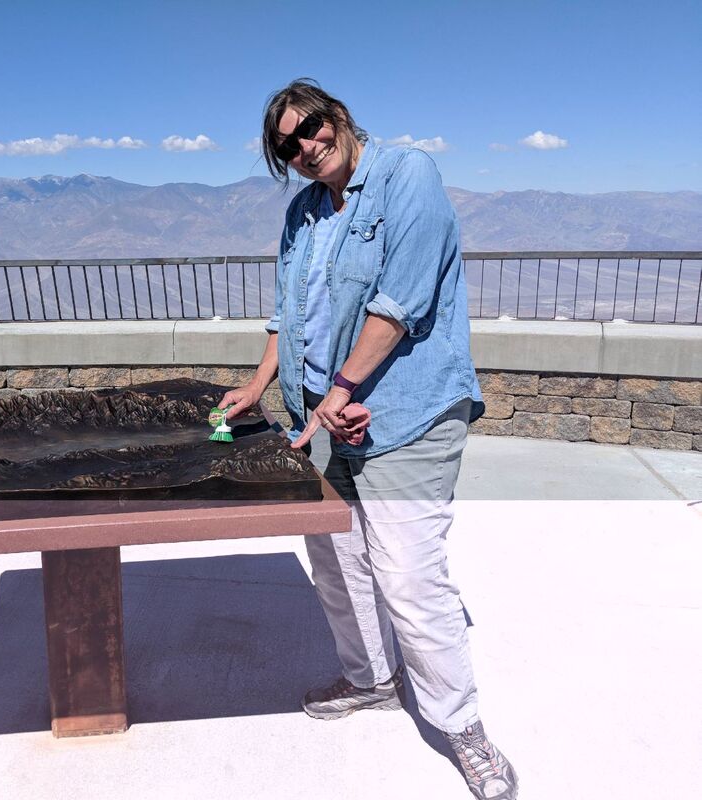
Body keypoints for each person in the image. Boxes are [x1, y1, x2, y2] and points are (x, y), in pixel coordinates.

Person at [217, 79, 518, 799]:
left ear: (339, 118)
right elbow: (285, 317)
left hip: (405, 412)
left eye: (310, 129)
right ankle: (372, 680)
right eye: (285, 146)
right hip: (322, 415)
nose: (303, 148)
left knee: (410, 576)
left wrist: (345, 392)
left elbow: (401, 301)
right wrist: (260, 388)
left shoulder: (406, 174)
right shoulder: (303, 213)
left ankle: (460, 726)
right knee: (337, 559)